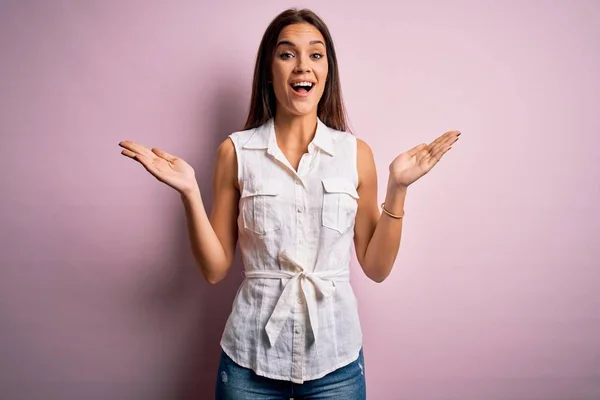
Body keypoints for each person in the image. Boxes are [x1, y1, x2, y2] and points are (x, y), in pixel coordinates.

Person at [119, 7, 460, 399]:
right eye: (287, 54)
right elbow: (215, 270)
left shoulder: (356, 154)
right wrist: (190, 193)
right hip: (249, 362)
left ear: (327, 71)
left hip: (337, 363)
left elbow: (376, 268)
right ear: (269, 69)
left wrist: (398, 188)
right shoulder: (236, 152)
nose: (303, 66)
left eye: (316, 55)